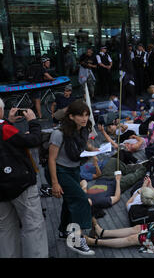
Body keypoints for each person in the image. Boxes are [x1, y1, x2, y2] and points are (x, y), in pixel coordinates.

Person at [47, 100, 98, 256]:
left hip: (74, 169)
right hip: (61, 171)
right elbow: (51, 159)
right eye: (80, 115)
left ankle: (64, 230)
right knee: (81, 200)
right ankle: (76, 239)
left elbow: (83, 145)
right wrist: (55, 183)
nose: (84, 118)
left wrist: (94, 149)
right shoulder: (58, 133)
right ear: (71, 116)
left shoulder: (82, 130)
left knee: (70, 202)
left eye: (86, 115)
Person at [0, 101, 48, 258]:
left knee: (5, 230)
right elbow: (33, 141)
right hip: (19, 184)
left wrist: (9, 121)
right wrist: (33, 122)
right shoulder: (5, 129)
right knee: (32, 226)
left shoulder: (6, 127)